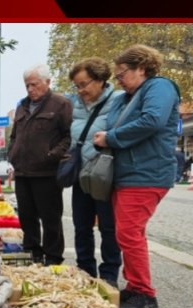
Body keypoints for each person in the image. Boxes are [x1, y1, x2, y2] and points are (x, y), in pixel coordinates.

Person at [92, 44, 181, 308]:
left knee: (129, 233)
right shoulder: (129, 96)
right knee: (127, 233)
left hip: (146, 173)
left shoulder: (160, 87)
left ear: (141, 68)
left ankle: (144, 295)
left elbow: (152, 120)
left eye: (122, 74)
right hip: (128, 174)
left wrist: (111, 138)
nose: (119, 80)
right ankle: (134, 287)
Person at [8, 64, 73, 265]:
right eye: (27, 85)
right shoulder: (22, 106)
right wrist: (13, 154)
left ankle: (53, 258)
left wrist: (52, 155)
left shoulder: (61, 104)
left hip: (47, 173)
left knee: (50, 218)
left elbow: (69, 136)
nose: (30, 89)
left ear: (47, 82)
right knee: (26, 216)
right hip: (22, 172)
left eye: (34, 85)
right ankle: (32, 253)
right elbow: (14, 136)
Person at [67, 58, 121, 287]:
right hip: (81, 173)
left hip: (104, 173)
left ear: (100, 79)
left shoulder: (119, 100)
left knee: (108, 227)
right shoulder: (74, 104)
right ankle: (85, 271)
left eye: (84, 84)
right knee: (81, 226)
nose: (81, 90)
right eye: (77, 86)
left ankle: (109, 275)